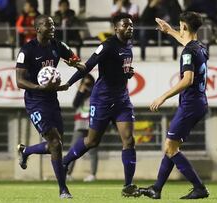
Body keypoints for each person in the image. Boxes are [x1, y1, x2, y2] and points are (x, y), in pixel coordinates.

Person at [59, 13, 140, 197]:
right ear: (116, 28)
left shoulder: (129, 45)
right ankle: (65, 162)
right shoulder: (107, 46)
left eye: (131, 25)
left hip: (122, 100)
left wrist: (127, 73)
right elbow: (87, 67)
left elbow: (120, 68)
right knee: (91, 141)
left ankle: (128, 185)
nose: (130, 28)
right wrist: (69, 84)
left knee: (129, 141)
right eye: (125, 25)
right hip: (102, 100)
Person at [138, 12, 209, 200]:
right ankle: (157, 189)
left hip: (190, 104)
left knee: (170, 146)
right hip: (198, 102)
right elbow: (186, 42)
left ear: (184, 26)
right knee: (171, 147)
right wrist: (169, 31)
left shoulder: (188, 52)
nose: (179, 28)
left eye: (179, 26)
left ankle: (199, 187)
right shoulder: (200, 47)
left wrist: (162, 97)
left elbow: (187, 80)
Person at [15, 14, 81, 199]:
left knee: (56, 144)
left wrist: (78, 67)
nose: (52, 27)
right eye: (47, 25)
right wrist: (39, 87)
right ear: (37, 28)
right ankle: (63, 189)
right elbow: (19, 81)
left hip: (52, 100)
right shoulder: (27, 50)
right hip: (35, 101)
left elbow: (77, 62)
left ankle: (26, 150)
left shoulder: (58, 46)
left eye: (53, 24)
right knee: (55, 143)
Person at [66, 74, 98, 182]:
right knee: (73, 148)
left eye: (89, 83)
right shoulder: (81, 93)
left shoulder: (96, 93)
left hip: (92, 125)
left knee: (93, 150)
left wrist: (91, 89)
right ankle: (68, 173)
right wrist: (81, 91)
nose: (87, 85)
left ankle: (93, 174)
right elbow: (75, 104)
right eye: (86, 82)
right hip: (80, 124)